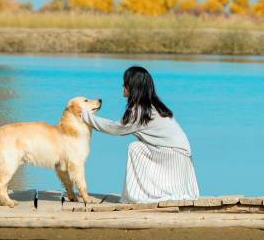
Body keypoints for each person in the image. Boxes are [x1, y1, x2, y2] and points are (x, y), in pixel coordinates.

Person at [82, 66, 199, 204]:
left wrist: (84, 116)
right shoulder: (150, 106)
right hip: (179, 155)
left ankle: (142, 195)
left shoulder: (140, 110)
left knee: (135, 148)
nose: (122, 85)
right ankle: (147, 192)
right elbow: (117, 125)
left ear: (133, 86)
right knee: (138, 147)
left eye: (125, 83)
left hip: (174, 156)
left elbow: (114, 128)